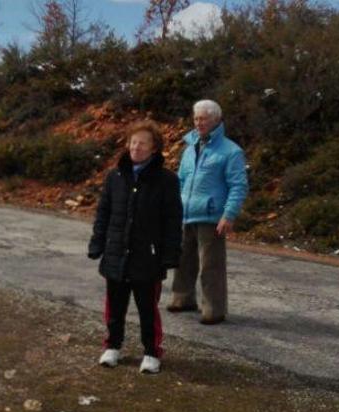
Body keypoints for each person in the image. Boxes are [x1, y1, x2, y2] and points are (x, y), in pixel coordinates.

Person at [88, 120, 183, 374]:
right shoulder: (115, 176)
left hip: (148, 257)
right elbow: (103, 213)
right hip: (116, 253)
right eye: (133, 142)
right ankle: (112, 346)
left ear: (154, 149)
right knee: (115, 306)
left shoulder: (167, 180)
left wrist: (170, 255)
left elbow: (173, 220)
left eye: (143, 143)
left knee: (147, 309)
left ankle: (152, 352)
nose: (136, 147)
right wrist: (98, 244)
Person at [167, 100, 248, 325]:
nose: (198, 123)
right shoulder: (189, 147)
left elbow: (238, 186)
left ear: (216, 120)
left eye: (203, 119)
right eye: (196, 118)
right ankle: (182, 298)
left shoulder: (231, 151)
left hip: (212, 217)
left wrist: (228, 215)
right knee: (182, 260)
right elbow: (181, 180)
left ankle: (214, 308)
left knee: (210, 266)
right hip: (186, 213)